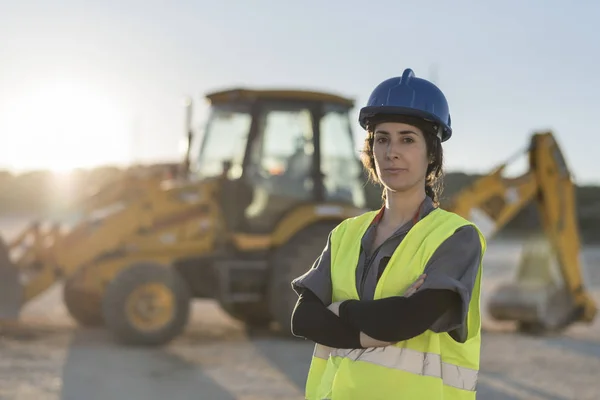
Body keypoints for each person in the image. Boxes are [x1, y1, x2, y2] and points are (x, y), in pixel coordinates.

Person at [290, 68, 486, 400]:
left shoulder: (456, 237)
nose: (391, 151)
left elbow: (407, 321)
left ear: (432, 154)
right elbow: (304, 319)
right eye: (382, 139)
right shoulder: (345, 234)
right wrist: (374, 330)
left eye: (407, 139)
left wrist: (340, 311)